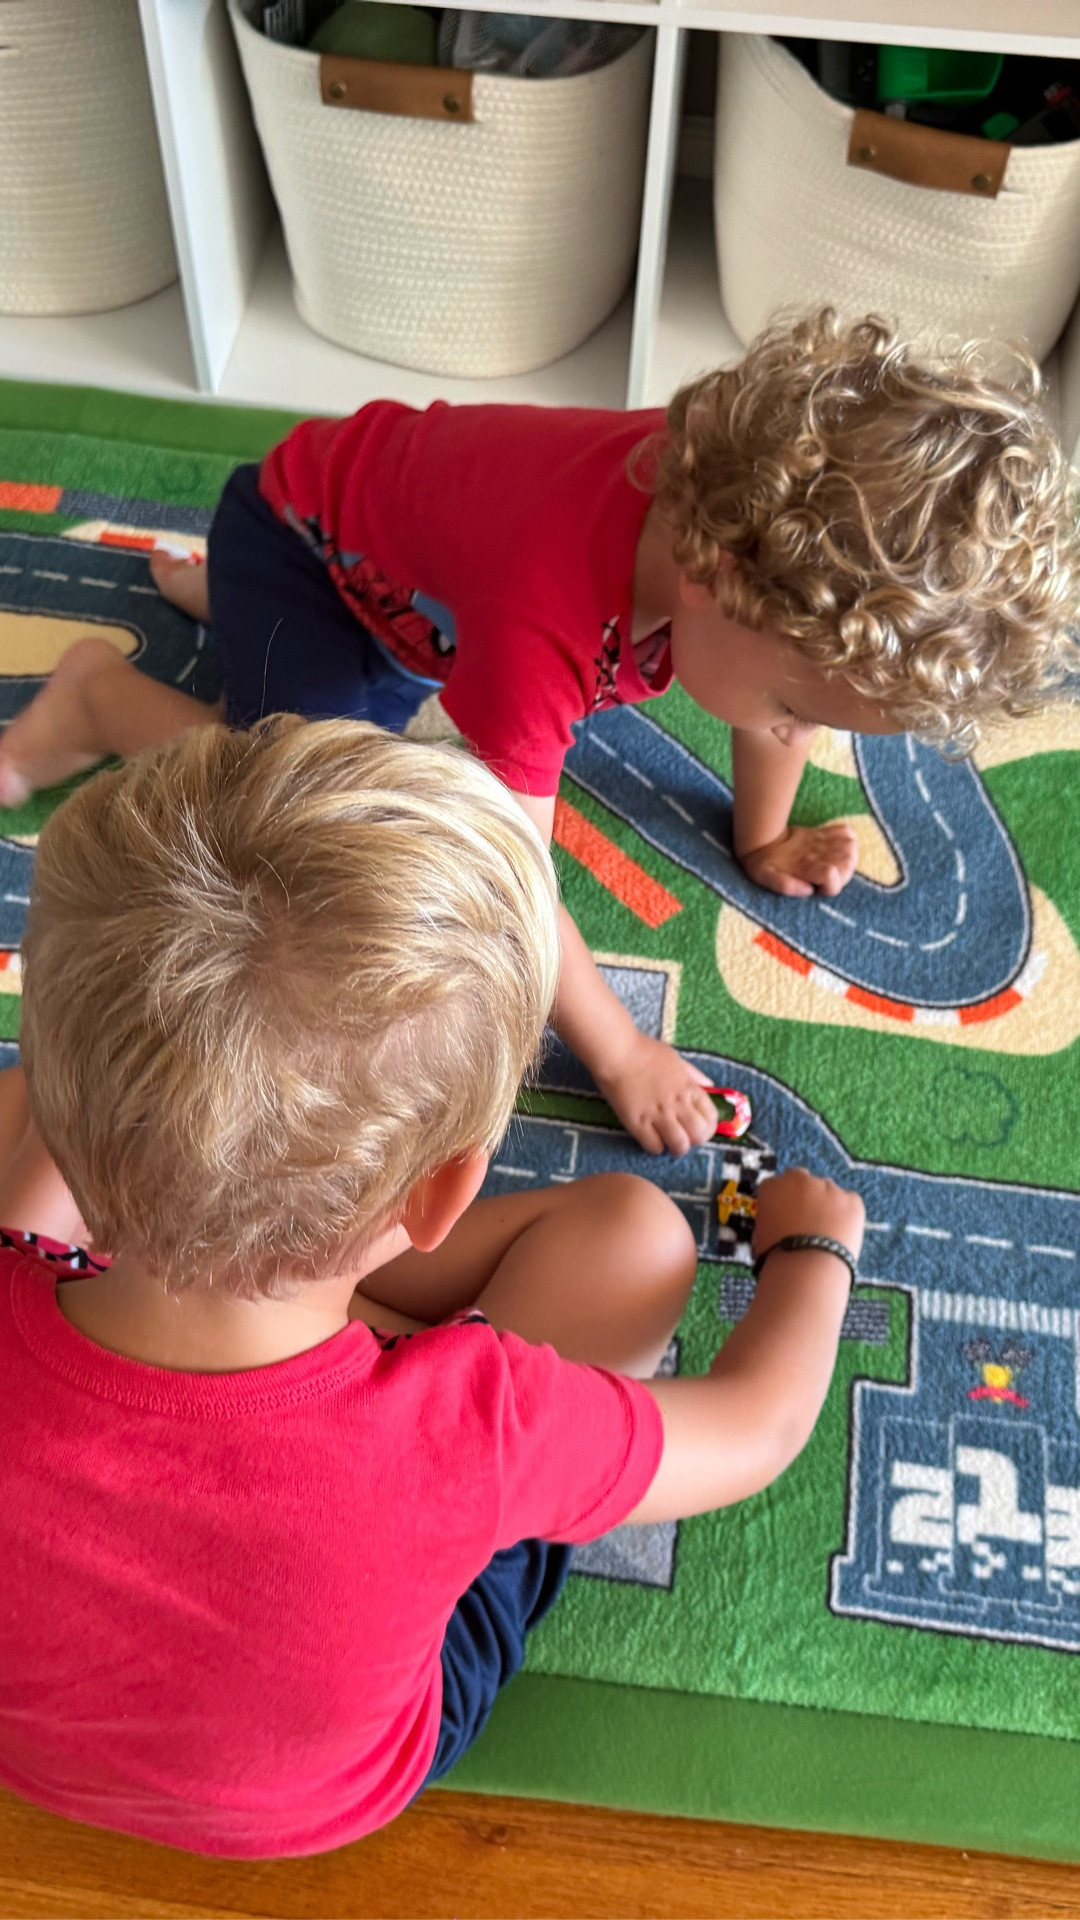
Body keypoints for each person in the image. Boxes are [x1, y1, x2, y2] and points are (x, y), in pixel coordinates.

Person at [0, 715, 864, 1858]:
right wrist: (813, 1258)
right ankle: (314, 1308)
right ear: (447, 1189)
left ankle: (219, 1256)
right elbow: (758, 1428)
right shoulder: (478, 1431)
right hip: (327, 1794)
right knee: (640, 1242)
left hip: (35, 1749)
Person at [3, 314, 1068, 1157]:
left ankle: (237, 617)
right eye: (797, 711)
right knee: (308, 798)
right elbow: (509, 878)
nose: (792, 733)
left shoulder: (739, 509)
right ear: (717, 579)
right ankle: (102, 699)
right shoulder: (543, 625)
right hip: (304, 548)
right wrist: (622, 1054)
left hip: (408, 584)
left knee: (365, 691)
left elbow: (778, 683)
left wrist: (761, 839)